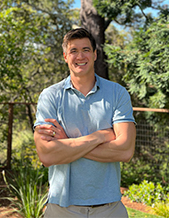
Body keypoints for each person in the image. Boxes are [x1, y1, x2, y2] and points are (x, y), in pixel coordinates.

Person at [34, 28, 136, 218]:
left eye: (86, 50)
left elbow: (125, 151)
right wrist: (100, 136)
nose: (80, 56)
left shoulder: (117, 93)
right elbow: (46, 155)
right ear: (65, 56)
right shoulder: (50, 96)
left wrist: (67, 143)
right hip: (61, 208)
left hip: (109, 208)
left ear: (95, 54)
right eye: (73, 51)